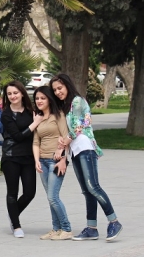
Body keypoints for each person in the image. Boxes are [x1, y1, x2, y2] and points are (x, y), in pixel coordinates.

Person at [51, 73, 122, 242]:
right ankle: (91, 228)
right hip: (75, 150)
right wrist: (65, 143)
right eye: (54, 90)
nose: (57, 92)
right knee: (86, 190)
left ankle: (114, 222)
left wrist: (62, 144)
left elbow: (77, 127)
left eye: (59, 88)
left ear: (67, 85)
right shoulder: (67, 106)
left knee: (93, 186)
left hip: (84, 147)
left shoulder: (77, 100)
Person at [1, 80, 43, 238]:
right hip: (11, 157)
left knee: (30, 192)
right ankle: (16, 225)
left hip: (29, 157)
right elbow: (17, 137)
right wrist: (35, 123)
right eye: (9, 94)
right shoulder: (6, 114)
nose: (13, 96)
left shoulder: (31, 110)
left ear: (22, 93)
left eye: (15, 93)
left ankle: (13, 214)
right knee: (12, 192)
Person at [32, 85, 73, 240]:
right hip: (42, 161)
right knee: (50, 197)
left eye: (43, 98)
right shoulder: (38, 117)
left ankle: (67, 229)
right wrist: (36, 160)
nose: (39, 101)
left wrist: (63, 159)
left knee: (53, 196)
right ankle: (56, 229)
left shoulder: (59, 115)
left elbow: (65, 136)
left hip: (56, 161)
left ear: (49, 99)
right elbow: (36, 142)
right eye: (37, 98)